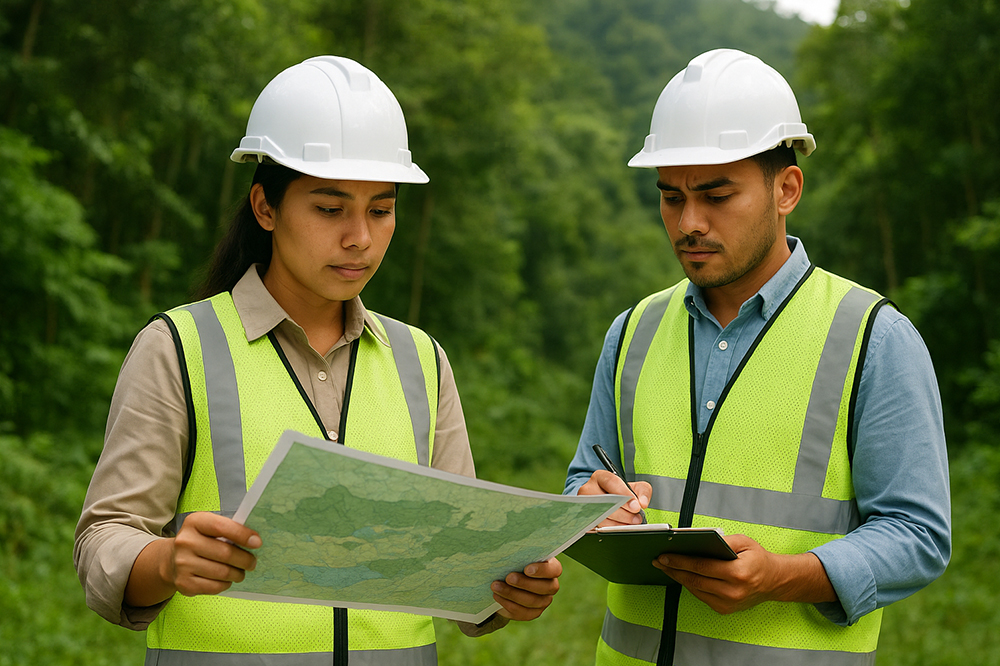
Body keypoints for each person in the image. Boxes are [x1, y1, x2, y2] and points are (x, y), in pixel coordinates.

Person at [74, 55, 562, 666]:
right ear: (265, 207)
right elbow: (104, 540)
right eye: (330, 209)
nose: (359, 236)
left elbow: (458, 563)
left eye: (380, 210)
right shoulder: (179, 347)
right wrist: (167, 561)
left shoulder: (421, 361)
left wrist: (509, 589)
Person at [563, 48, 951, 665]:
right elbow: (584, 476)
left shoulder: (874, 336)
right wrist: (589, 503)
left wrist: (784, 576)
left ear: (786, 188)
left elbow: (918, 535)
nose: (689, 222)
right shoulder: (632, 331)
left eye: (717, 196)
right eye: (670, 198)